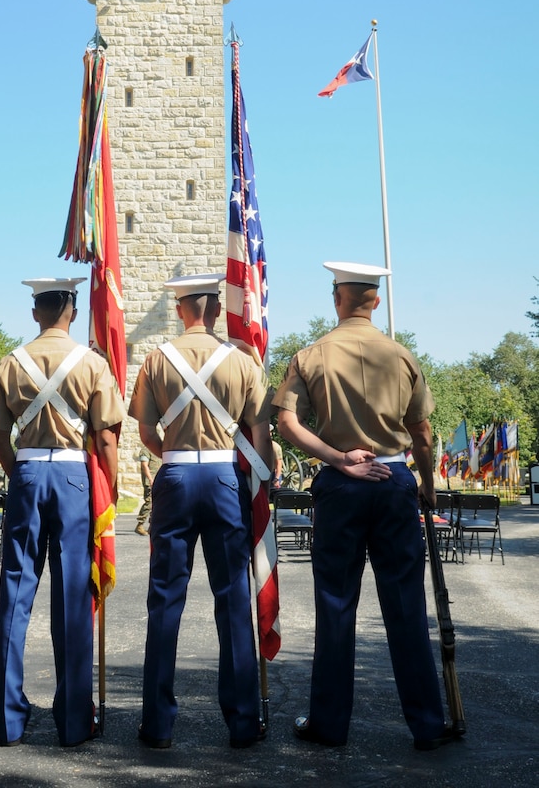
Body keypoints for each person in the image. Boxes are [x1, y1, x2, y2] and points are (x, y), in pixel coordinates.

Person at [273, 261, 457, 752]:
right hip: (395, 479)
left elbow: (286, 422)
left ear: (337, 298)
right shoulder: (401, 356)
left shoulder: (309, 356)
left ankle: (329, 725)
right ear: (375, 301)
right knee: (406, 607)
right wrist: (427, 483)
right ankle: (427, 724)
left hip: (341, 480)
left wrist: (337, 457)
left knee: (336, 605)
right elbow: (422, 434)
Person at [128, 273, 274, 750]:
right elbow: (259, 435)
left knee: (165, 599)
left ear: (180, 310)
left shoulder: (155, 359)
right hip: (224, 478)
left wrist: (173, 450)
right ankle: (243, 722)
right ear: (213, 309)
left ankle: (157, 726)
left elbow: (147, 432)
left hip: (174, 475)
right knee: (232, 597)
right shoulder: (242, 361)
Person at [0, 278, 123, 748]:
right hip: (73, 478)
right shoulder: (92, 364)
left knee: (15, 592)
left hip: (26, 472)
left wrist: (21, 472)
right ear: (72, 313)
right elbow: (104, 437)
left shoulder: (10, 361)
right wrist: (112, 485)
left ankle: (7, 719)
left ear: (36, 312)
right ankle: (74, 720)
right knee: (72, 598)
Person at [135, 447, 160, 535]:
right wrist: (150, 479)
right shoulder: (145, 451)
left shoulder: (158, 449)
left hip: (158, 479)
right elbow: (144, 465)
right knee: (149, 503)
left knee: (157, 504)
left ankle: (151, 526)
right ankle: (140, 524)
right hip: (150, 481)